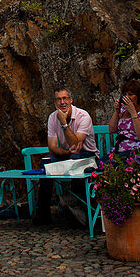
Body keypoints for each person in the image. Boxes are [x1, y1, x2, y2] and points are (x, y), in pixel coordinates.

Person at [34, 85, 98, 226]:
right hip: (67, 154)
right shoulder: (52, 118)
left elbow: (75, 143)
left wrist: (63, 123)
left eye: (64, 98)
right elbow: (52, 147)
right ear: (55, 103)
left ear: (71, 100)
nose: (62, 102)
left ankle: (81, 211)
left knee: (75, 159)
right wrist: (66, 152)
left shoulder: (83, 116)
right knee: (46, 161)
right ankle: (43, 214)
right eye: (58, 100)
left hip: (87, 155)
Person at [108, 78, 140, 152]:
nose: (127, 97)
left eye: (130, 94)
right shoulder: (123, 110)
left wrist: (133, 112)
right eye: (125, 94)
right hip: (119, 150)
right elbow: (112, 130)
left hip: (138, 153)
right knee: (99, 163)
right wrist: (117, 111)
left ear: (138, 96)